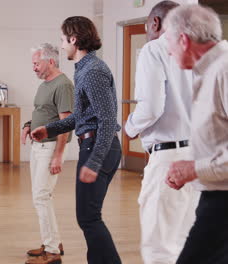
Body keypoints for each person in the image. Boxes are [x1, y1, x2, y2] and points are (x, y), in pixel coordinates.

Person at [31, 16, 122, 264]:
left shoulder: (93, 71)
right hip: (92, 145)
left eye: (63, 39)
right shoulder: (83, 68)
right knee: (88, 216)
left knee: (89, 217)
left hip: (98, 147)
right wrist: (48, 129)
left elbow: (105, 120)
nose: (61, 46)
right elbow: (81, 117)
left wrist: (94, 162)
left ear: (74, 39)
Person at [124, 1, 200, 263]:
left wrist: (130, 127)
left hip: (169, 159)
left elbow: (151, 107)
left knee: (160, 246)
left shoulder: (154, 49)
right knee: (187, 241)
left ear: (155, 23)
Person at [163, 4, 228, 264]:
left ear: (183, 40)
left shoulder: (224, 70)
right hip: (216, 197)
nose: (168, 51)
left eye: (168, 42)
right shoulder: (211, 71)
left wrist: (195, 169)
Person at [23, 43, 73, 264]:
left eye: (36, 63)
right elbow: (43, 112)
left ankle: (52, 251)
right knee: (42, 196)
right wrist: (27, 124)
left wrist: (58, 156)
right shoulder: (45, 84)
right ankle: (53, 241)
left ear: (50, 62)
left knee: (41, 196)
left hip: (51, 147)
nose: (33, 68)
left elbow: (65, 123)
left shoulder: (63, 85)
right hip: (38, 147)